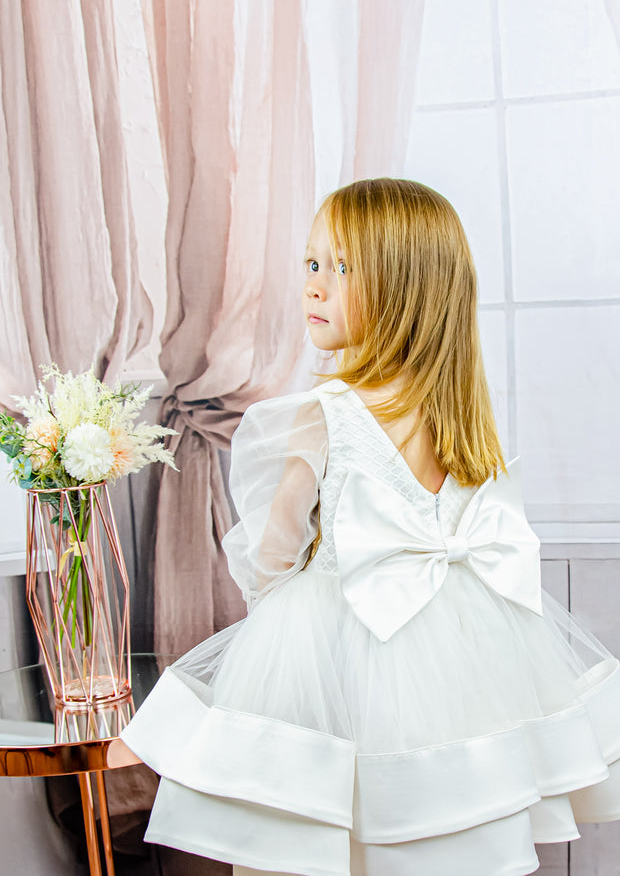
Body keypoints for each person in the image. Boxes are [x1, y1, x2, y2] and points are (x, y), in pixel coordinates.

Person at [118, 179, 620, 876]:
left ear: (406, 288)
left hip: (335, 646)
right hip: (461, 657)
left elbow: (275, 555)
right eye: (311, 264)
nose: (315, 288)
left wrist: (277, 605)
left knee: (311, 825)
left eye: (341, 268)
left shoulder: (327, 411)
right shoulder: (466, 419)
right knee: (442, 813)